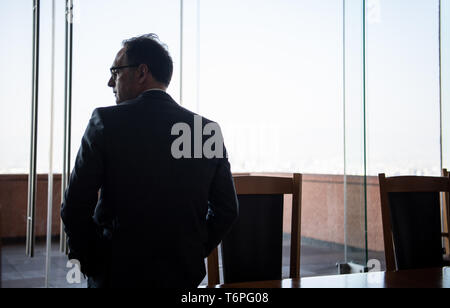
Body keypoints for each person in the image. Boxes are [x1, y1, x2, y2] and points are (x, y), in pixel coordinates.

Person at [61, 34, 239, 288]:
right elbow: (227, 210)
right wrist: (191, 252)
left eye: (116, 71)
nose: (110, 81)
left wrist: (95, 264)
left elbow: (74, 207)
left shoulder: (105, 122)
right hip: (181, 277)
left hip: (117, 277)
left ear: (141, 72)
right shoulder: (205, 131)